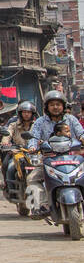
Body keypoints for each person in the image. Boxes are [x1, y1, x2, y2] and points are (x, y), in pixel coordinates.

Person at [26, 90, 84, 219]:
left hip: (72, 158)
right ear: (47, 107)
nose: (56, 107)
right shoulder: (40, 121)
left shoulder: (71, 119)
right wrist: (32, 146)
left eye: (58, 104)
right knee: (32, 179)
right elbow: (34, 137)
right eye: (52, 104)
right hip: (48, 159)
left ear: (63, 106)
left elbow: (81, 133)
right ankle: (42, 205)